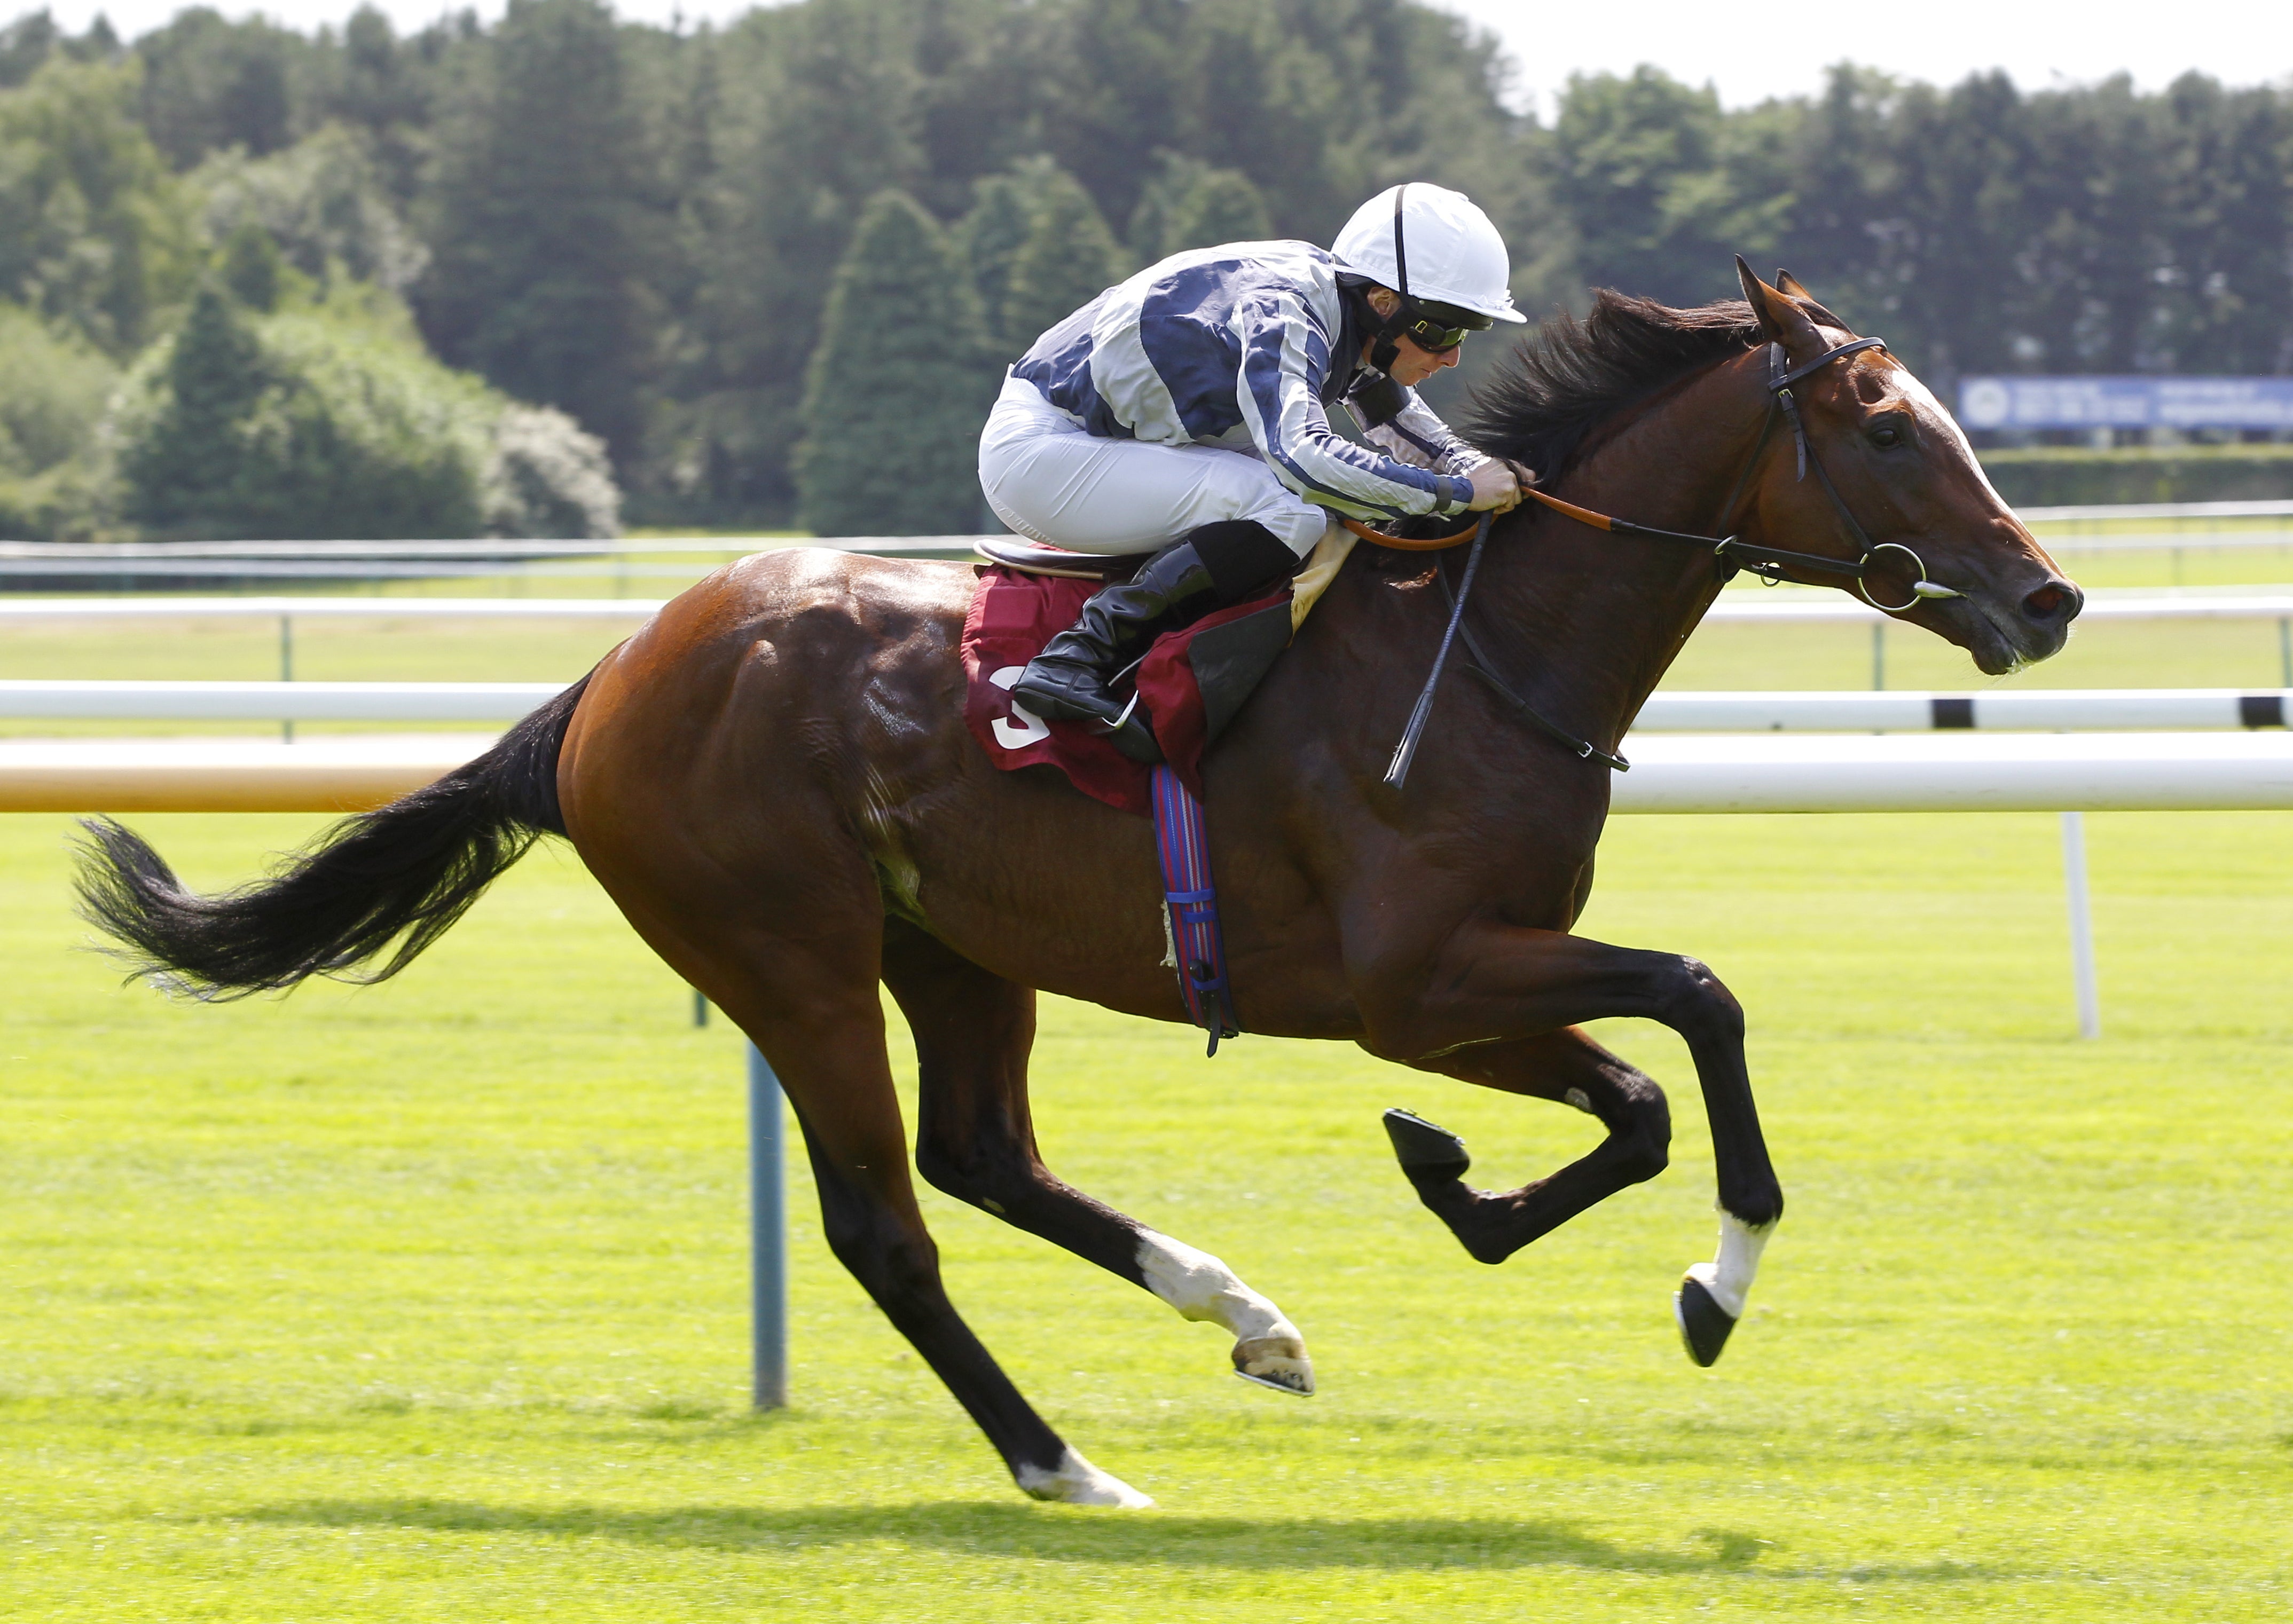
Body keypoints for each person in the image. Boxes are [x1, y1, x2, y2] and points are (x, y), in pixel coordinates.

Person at [979, 181, 1529, 762]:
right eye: (1442, 329)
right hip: (1045, 453)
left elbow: (1400, 425)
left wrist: (1477, 467)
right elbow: (1306, 460)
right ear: (1383, 302)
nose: (1452, 356)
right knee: (1291, 508)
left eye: (1468, 332)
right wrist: (1458, 493)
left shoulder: (1344, 312)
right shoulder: (1286, 309)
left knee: (1317, 507)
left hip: (1107, 442)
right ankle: (1077, 659)